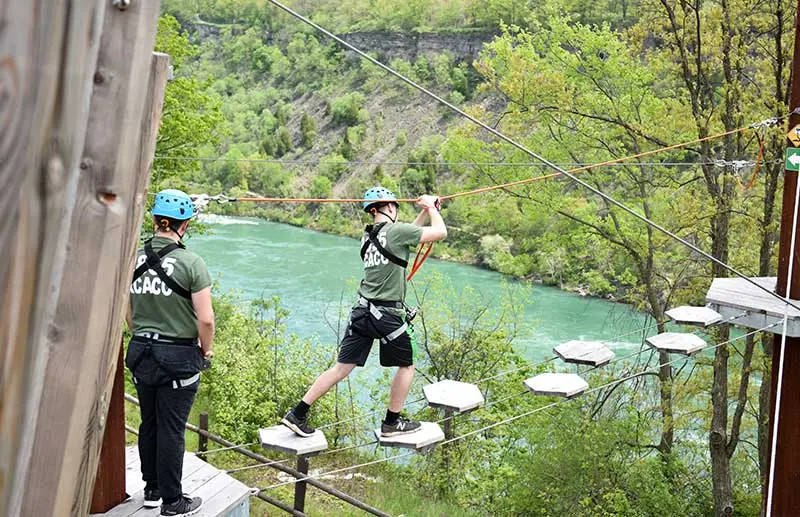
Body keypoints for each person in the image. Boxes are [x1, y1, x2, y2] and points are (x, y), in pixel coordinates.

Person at [283, 186, 447, 438]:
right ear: (391, 207)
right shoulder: (396, 232)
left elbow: (408, 234)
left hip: (362, 312)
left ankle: (298, 413)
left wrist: (425, 212)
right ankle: (392, 422)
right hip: (387, 316)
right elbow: (440, 233)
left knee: (340, 368)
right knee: (406, 366)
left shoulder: (368, 237)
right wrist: (431, 208)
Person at [125, 189, 214, 516]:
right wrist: (207, 351)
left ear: (154, 221)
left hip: (140, 353)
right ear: (185, 224)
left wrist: (140, 336)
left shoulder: (133, 257)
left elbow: (128, 310)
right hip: (177, 358)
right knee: (172, 429)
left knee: (149, 423)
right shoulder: (192, 263)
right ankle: (174, 502)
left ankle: (152, 490)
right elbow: (205, 318)